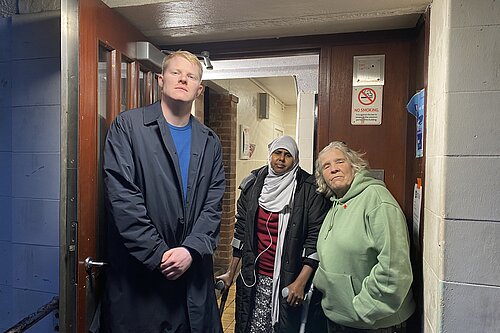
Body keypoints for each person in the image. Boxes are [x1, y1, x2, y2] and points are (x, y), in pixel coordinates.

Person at [100, 50, 226, 332]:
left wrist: (190, 251)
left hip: (192, 280)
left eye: (191, 76)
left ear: (199, 88)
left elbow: (213, 205)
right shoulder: (129, 127)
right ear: (160, 79)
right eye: (175, 72)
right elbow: (122, 199)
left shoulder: (210, 141)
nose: (183, 79)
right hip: (141, 281)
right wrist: (160, 256)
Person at [217, 135, 330, 333]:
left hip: (289, 279)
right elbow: (241, 233)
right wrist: (230, 273)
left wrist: (300, 283)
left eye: (288, 155)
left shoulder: (309, 189)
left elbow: (314, 242)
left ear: (295, 159)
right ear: (270, 155)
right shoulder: (253, 184)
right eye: (277, 153)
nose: (281, 159)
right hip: (254, 277)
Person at [313, 141, 415, 333]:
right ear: (322, 177)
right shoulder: (337, 203)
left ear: (354, 165)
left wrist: (363, 308)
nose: (333, 169)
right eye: (326, 166)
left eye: (340, 162)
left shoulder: (377, 200)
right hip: (341, 319)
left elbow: (395, 268)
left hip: (373, 324)